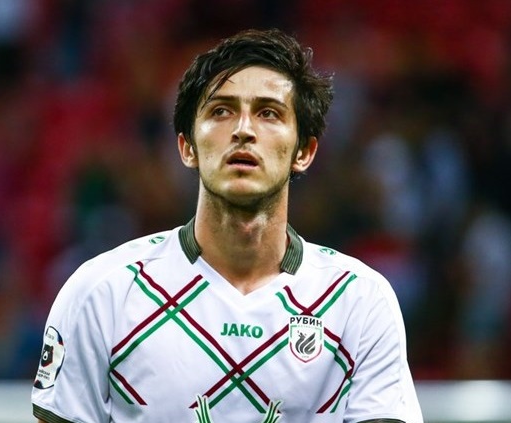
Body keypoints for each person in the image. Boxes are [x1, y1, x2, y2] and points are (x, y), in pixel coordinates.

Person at [31, 28, 423, 423]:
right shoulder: (102, 292)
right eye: (221, 111)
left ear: (304, 151)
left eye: (269, 113)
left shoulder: (359, 301)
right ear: (187, 147)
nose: (243, 130)